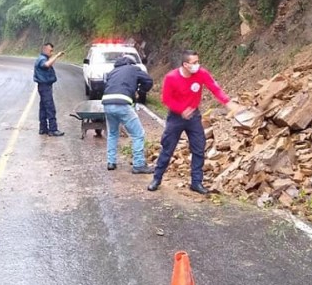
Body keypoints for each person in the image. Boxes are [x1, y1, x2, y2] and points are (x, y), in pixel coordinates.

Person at [148, 50, 240, 195]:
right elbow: (166, 99)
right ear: (185, 64)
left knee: (199, 147)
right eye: (194, 62)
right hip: (176, 117)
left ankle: (196, 182)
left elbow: (214, 88)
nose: (198, 65)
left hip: (194, 117)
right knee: (168, 148)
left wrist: (227, 102)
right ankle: (156, 179)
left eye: (198, 61)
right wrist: (181, 109)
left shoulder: (201, 73)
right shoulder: (171, 77)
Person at [102, 55, 154, 173]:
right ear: (131, 63)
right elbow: (148, 81)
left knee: (113, 133)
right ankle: (139, 164)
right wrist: (140, 91)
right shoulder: (133, 69)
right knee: (138, 134)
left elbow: (107, 85)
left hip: (107, 103)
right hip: (122, 103)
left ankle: (111, 162)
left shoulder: (112, 71)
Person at [34, 42, 65, 136]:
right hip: (44, 87)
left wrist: (54, 57)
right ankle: (53, 129)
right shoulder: (42, 59)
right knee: (50, 108)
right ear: (45, 49)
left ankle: (43, 128)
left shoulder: (43, 58)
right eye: (50, 51)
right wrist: (57, 56)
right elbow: (46, 65)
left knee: (43, 108)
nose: (51, 53)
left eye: (52, 51)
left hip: (43, 86)